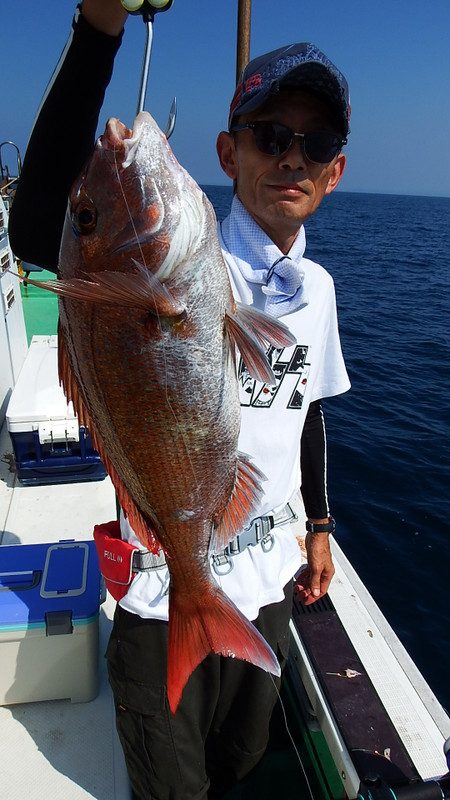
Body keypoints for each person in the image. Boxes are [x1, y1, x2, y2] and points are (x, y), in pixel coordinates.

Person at [9, 2, 351, 798]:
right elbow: (37, 232)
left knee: (237, 763)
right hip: (166, 591)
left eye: (316, 144)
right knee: (173, 787)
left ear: (337, 170)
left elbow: (311, 405)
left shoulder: (321, 291)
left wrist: (322, 529)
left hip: (267, 586)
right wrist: (101, 29)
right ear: (229, 154)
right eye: (272, 137)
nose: (292, 159)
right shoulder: (187, 264)